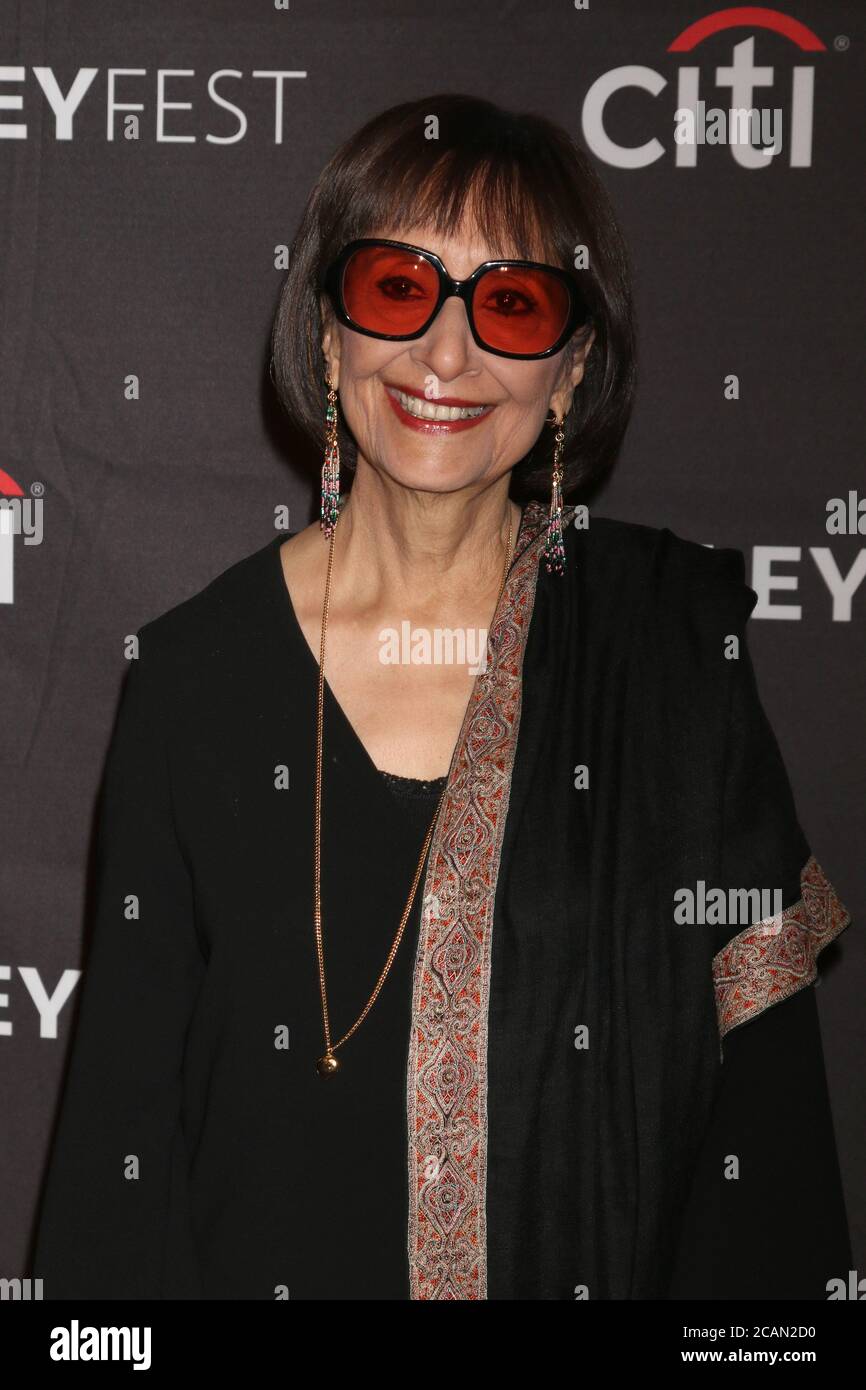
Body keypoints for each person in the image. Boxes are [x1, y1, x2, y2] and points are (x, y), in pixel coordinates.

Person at [32, 94, 852, 1301]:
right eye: (396, 291)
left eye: (510, 303)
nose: (446, 355)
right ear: (326, 330)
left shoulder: (667, 660)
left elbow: (761, 1150)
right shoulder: (191, 679)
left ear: (570, 370)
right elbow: (119, 1153)